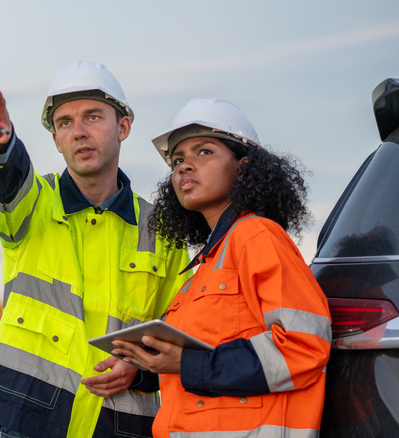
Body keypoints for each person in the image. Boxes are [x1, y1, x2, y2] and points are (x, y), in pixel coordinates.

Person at [0, 60, 191, 438]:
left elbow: (181, 324)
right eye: (65, 123)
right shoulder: (33, 205)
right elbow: (8, 180)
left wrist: (141, 369)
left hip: (119, 426)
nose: (79, 132)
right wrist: (0, 142)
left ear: (123, 127)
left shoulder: (162, 229)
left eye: (93, 117)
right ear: (55, 139)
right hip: (35, 420)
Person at [111, 98, 332, 437]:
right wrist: (142, 368)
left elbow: (303, 346)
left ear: (244, 169)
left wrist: (186, 363)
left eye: (204, 152)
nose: (185, 166)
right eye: (178, 160)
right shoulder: (206, 266)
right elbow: (209, 356)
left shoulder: (256, 236)